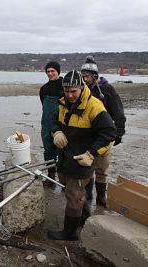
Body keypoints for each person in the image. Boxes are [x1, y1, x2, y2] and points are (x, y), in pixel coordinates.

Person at [48, 70, 116, 241]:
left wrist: (91, 154)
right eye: (67, 91)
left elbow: (109, 134)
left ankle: (69, 233)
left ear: (81, 88)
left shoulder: (94, 106)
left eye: (74, 91)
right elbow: (55, 121)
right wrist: (56, 132)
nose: (70, 95)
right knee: (76, 192)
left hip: (82, 159)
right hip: (66, 157)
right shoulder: (63, 103)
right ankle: (84, 219)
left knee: (74, 195)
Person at [81, 55, 126, 207]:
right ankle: (88, 197)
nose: (84, 79)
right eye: (82, 76)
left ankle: (101, 199)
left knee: (102, 169)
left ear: (94, 76)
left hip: (104, 136)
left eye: (86, 76)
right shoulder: (81, 92)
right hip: (87, 137)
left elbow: (119, 114)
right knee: (88, 168)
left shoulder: (107, 91)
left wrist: (118, 133)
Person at [39, 61, 63, 187]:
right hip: (46, 124)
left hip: (61, 124)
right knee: (48, 151)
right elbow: (44, 105)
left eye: (53, 71)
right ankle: (51, 177)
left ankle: (64, 179)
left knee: (63, 151)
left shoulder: (65, 86)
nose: (50, 73)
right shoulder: (43, 89)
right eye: (48, 71)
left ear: (58, 71)